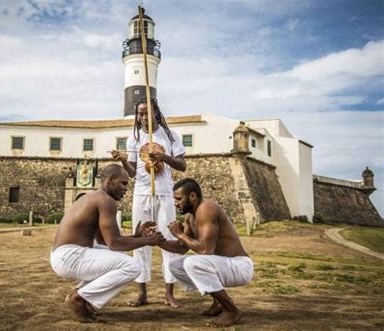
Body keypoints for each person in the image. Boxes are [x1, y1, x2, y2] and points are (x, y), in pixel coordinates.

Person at [50, 164, 165, 323]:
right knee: (133, 266)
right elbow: (114, 243)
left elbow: (104, 241)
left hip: (65, 256)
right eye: (123, 183)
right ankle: (79, 298)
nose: (126, 189)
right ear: (110, 181)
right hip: (70, 256)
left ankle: (84, 296)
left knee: (120, 256)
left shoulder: (94, 197)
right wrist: (147, 240)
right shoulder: (106, 200)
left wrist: (136, 236)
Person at [111, 97, 187, 307]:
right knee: (140, 243)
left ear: (156, 112)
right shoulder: (133, 138)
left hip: (164, 194)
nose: (143, 117)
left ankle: (169, 293)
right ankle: (142, 292)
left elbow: (182, 165)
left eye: (147, 112)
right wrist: (124, 160)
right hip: (141, 195)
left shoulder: (170, 136)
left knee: (167, 240)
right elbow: (134, 173)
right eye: (140, 113)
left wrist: (164, 158)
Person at [160, 178, 254, 327]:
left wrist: (180, 234)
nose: (175, 203)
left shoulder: (207, 208)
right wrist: (157, 241)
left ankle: (231, 311)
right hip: (222, 266)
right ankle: (218, 301)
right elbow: (181, 247)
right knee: (175, 265)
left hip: (239, 266)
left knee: (192, 263)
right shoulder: (190, 216)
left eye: (178, 199)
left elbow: (205, 250)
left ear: (192, 196)